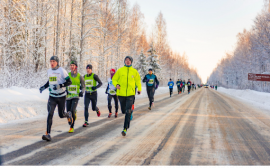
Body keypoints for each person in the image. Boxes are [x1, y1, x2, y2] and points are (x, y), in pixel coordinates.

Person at [39, 56, 72, 141]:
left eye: (53, 61)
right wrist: (44, 87)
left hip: (61, 96)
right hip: (52, 96)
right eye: (50, 61)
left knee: (61, 115)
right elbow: (50, 81)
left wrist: (60, 85)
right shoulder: (49, 71)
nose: (52, 63)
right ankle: (48, 134)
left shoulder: (62, 71)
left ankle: (68, 114)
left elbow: (69, 82)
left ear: (57, 62)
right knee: (50, 113)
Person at [112, 56, 142, 136]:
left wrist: (139, 89)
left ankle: (125, 128)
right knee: (123, 111)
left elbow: (138, 81)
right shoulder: (120, 70)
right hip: (121, 93)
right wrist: (116, 84)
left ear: (131, 62)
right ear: (124, 61)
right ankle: (130, 112)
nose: (127, 61)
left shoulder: (134, 71)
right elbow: (114, 79)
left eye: (129, 60)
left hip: (131, 93)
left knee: (128, 111)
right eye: (126, 60)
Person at [66, 60, 85, 133]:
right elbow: (64, 84)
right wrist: (65, 90)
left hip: (76, 96)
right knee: (68, 112)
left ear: (76, 66)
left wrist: (81, 92)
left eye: (73, 65)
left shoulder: (80, 76)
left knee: (72, 110)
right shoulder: (67, 75)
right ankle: (72, 117)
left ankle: (71, 127)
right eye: (71, 65)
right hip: (68, 96)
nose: (72, 66)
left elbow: (83, 86)